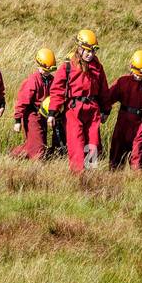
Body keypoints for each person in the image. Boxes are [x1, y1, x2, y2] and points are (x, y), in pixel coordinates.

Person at [48, 29, 111, 174]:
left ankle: (91, 173)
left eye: (93, 51)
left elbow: (104, 89)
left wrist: (106, 109)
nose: (90, 54)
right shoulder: (68, 66)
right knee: (76, 142)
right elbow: (57, 90)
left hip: (93, 109)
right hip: (74, 110)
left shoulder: (98, 67)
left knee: (93, 142)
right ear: (79, 48)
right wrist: (52, 112)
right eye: (87, 51)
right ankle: (78, 176)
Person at [107, 49, 142, 171]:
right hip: (122, 123)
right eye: (136, 72)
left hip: (139, 126)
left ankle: (137, 183)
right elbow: (109, 97)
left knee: (138, 158)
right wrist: (103, 111)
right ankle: (113, 181)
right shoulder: (123, 81)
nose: (137, 76)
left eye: (141, 74)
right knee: (116, 156)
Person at [10, 47, 57, 161]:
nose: (48, 72)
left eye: (50, 70)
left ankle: (25, 153)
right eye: (46, 70)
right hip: (32, 116)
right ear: (39, 67)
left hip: (44, 116)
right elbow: (22, 101)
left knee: (41, 146)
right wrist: (17, 121)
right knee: (38, 151)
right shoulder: (33, 81)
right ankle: (13, 153)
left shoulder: (52, 80)